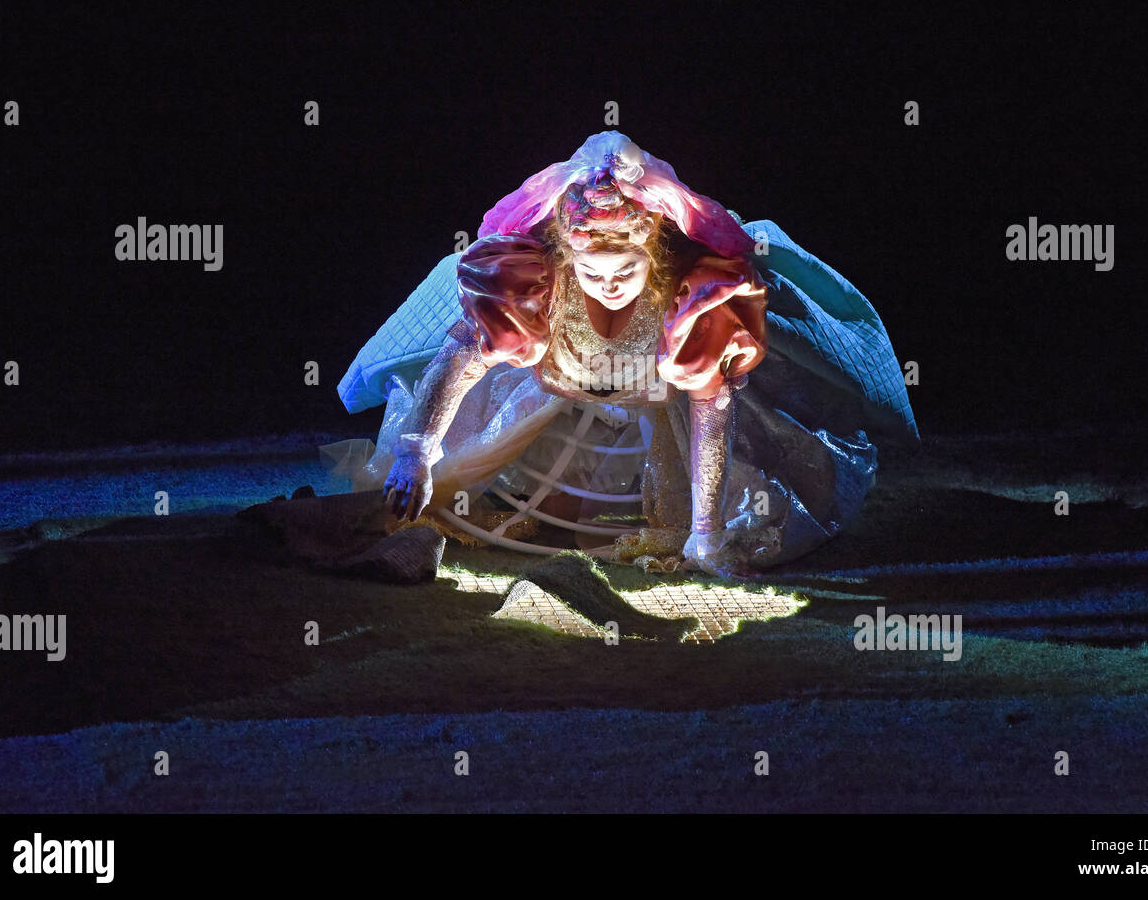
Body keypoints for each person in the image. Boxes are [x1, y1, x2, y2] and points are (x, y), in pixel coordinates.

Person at [327, 131, 917, 576]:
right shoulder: (535, 290)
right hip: (559, 383)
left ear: (653, 262)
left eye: (625, 269)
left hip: (658, 392)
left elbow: (713, 411)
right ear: (567, 262)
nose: (608, 284)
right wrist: (415, 452)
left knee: (729, 413)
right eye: (592, 270)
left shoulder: (690, 301)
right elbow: (463, 357)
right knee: (497, 426)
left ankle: (688, 517)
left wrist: (706, 534)